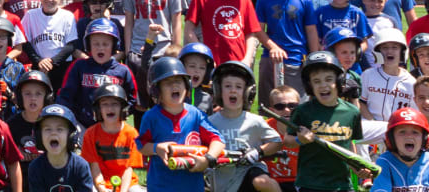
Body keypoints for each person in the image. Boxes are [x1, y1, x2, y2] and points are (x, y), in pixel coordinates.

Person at [138, 58, 223, 192]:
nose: (174, 86)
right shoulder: (151, 117)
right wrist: (156, 148)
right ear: (157, 90)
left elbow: (218, 140)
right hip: (160, 185)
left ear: (187, 86)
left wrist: (208, 160)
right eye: (167, 83)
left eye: (178, 81)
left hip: (192, 185)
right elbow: (141, 145)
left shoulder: (196, 115)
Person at [291, 52, 371, 192]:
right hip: (311, 184)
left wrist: (357, 166)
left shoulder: (352, 112)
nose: (323, 85)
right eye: (316, 81)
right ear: (309, 86)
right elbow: (287, 140)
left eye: (329, 79)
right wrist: (299, 140)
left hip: (342, 185)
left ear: (339, 82)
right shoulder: (303, 111)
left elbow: (349, 144)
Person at [204, 62, 281, 192]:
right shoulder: (210, 123)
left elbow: (277, 142)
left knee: (263, 182)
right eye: (227, 86)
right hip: (222, 180)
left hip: (249, 171)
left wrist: (259, 151)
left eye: (239, 87)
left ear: (248, 92)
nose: (233, 90)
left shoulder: (254, 121)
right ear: (218, 90)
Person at [55, 18, 137, 127]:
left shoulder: (122, 70)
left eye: (105, 44)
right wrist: (72, 120)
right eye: (96, 44)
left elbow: (132, 98)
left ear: (114, 46)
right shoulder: (79, 66)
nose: (100, 48)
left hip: (112, 126)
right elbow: (65, 95)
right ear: (88, 45)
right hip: (82, 125)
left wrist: (122, 113)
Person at [253, 0, 310, 107]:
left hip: (296, 59)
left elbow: (311, 32)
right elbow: (258, 29)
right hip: (270, 59)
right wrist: (273, 47)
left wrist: (313, 57)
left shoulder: (304, 0)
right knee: (269, 106)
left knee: (295, 105)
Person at [370, 107, 429, 192]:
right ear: (391, 138)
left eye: (415, 132)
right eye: (402, 132)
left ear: (425, 138)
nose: (409, 137)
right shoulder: (385, 162)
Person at [79, 83, 142, 192]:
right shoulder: (91, 134)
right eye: (104, 104)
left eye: (115, 104)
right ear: (98, 109)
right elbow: (95, 167)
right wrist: (101, 188)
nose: (110, 108)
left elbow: (128, 169)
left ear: (122, 108)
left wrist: (123, 190)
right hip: (101, 182)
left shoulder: (131, 134)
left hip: (127, 183)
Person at [24, 104, 93, 192]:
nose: (53, 133)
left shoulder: (81, 166)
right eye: (47, 129)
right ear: (39, 136)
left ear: (71, 135)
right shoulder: (35, 167)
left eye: (60, 129)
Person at [359, 31, 415, 121]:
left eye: (395, 47)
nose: (389, 51)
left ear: (402, 52)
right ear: (378, 52)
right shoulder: (368, 75)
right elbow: (361, 103)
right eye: (385, 48)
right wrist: (374, 123)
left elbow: (413, 112)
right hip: (370, 127)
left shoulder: (411, 82)